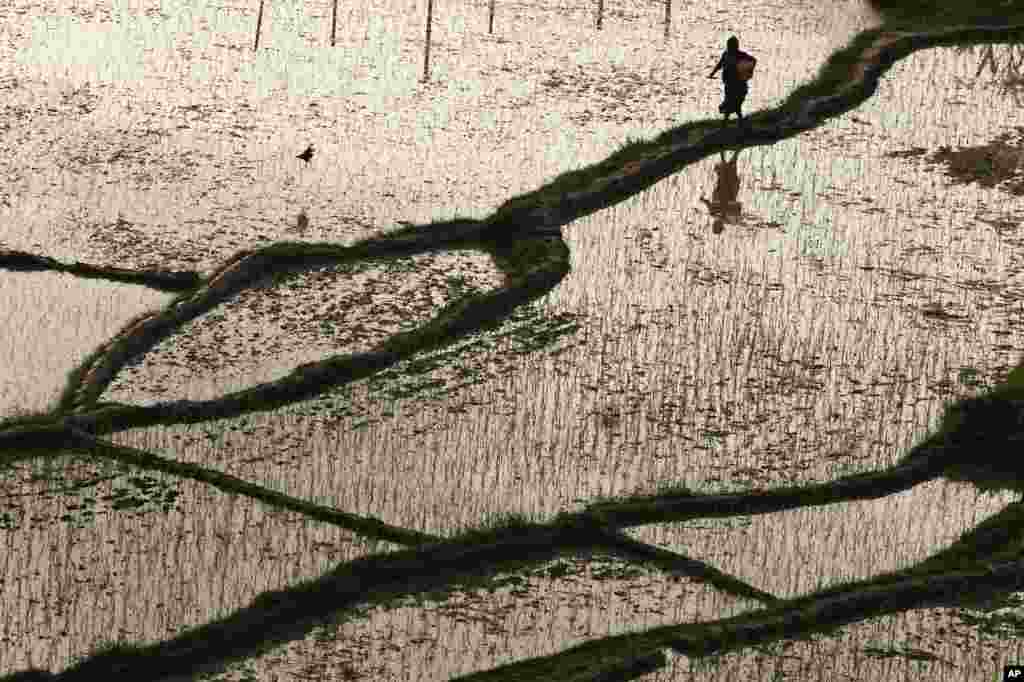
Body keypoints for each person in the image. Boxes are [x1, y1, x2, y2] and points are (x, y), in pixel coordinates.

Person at [708, 36, 756, 129]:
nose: (729, 47)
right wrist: (712, 73)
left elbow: (753, 60)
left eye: (731, 45)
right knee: (731, 101)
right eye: (728, 45)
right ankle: (736, 122)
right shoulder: (726, 54)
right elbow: (720, 64)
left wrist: (748, 71)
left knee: (734, 102)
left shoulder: (741, 55)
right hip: (728, 83)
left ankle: (727, 123)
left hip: (738, 83)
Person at [699, 150, 743, 234]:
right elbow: (708, 203)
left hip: (729, 186)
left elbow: (738, 207)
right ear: (716, 224)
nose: (715, 223)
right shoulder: (715, 213)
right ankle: (725, 150)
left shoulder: (726, 215)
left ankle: (732, 149)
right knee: (729, 164)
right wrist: (703, 200)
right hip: (727, 186)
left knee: (731, 163)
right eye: (715, 225)